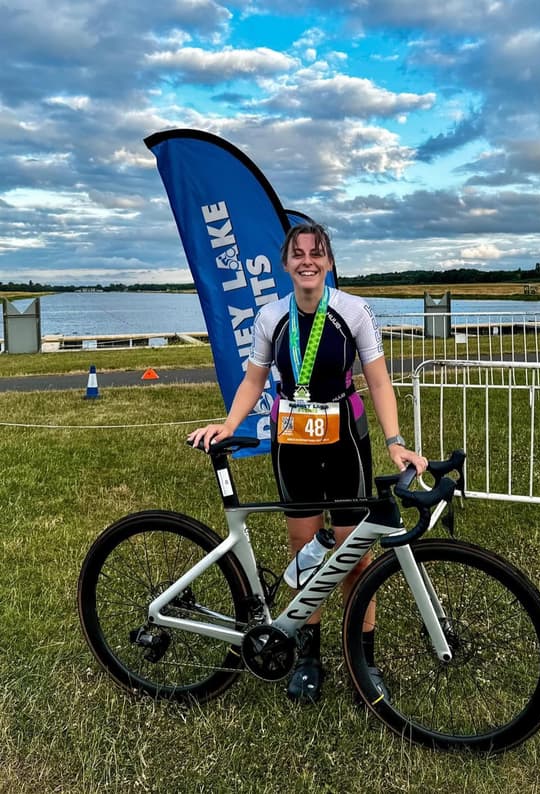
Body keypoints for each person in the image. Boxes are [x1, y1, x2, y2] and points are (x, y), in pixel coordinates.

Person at [188, 223, 427, 704]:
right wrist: (228, 423)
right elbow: (254, 381)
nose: (307, 261)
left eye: (316, 253)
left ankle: (364, 661)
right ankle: (308, 658)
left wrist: (395, 441)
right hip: (293, 443)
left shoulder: (353, 311)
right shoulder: (271, 316)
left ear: (329, 261)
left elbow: (378, 382)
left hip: (345, 442)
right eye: (297, 254)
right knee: (305, 556)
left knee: (354, 557)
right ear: (285, 264)